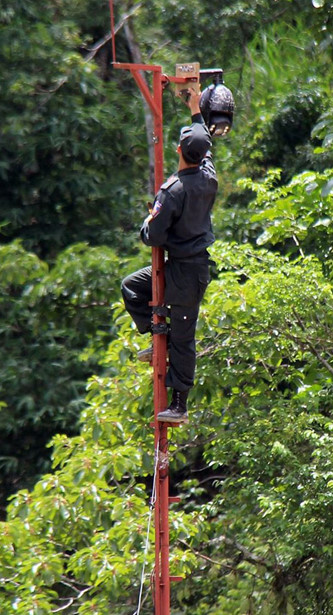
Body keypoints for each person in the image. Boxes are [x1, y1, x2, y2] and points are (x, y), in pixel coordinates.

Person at [121, 89, 218, 424]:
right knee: (133, 286)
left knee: (183, 337)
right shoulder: (209, 177)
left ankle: (179, 403)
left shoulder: (174, 190)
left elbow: (153, 236)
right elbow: (205, 143)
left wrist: (149, 222)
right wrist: (195, 109)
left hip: (187, 274)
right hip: (182, 266)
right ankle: (153, 332)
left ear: (178, 150)